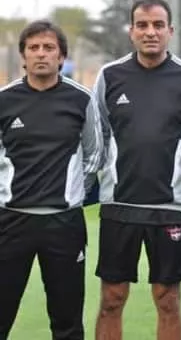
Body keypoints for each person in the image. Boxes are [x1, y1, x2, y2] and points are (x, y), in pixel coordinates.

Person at [93, 0, 181, 340]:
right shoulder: (110, 76)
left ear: (170, 30)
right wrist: (108, 176)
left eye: (158, 25)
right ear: (131, 31)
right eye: (142, 25)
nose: (150, 32)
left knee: (168, 299)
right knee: (112, 299)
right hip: (119, 205)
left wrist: (179, 181)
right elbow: (97, 136)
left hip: (168, 207)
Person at [0, 20, 102, 340]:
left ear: (61, 57)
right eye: (33, 48)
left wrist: (73, 195)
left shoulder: (81, 99)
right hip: (11, 222)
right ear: (23, 56)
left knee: (67, 321)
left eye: (49, 48)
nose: (41, 54)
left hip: (64, 224)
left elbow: (94, 155)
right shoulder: (4, 100)